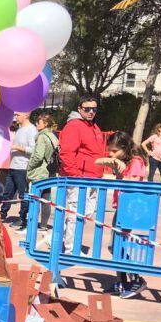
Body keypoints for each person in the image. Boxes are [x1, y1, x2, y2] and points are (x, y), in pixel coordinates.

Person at [97, 131, 148, 298]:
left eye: (115, 151)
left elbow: (132, 184)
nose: (111, 154)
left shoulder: (136, 161)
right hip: (122, 206)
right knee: (115, 244)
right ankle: (122, 280)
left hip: (131, 208)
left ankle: (136, 279)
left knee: (116, 244)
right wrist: (116, 167)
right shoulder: (126, 161)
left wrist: (120, 168)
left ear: (125, 148)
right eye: (110, 151)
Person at [58, 95, 107, 249]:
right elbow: (67, 153)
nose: (91, 112)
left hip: (93, 178)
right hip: (80, 178)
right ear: (80, 109)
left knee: (88, 213)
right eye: (87, 109)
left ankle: (58, 238)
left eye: (94, 109)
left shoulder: (94, 127)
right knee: (76, 214)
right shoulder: (74, 126)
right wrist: (75, 176)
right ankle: (70, 247)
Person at [0, 111, 37, 229]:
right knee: (7, 192)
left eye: (18, 115)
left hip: (23, 168)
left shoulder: (31, 130)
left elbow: (33, 150)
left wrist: (16, 147)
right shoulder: (20, 129)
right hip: (13, 166)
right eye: (15, 115)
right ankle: (2, 213)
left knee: (23, 195)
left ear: (26, 115)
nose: (15, 117)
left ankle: (22, 219)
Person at [26, 113, 60, 230]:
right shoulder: (53, 136)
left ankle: (32, 224)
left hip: (40, 171)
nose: (36, 124)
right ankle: (44, 225)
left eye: (38, 122)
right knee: (46, 199)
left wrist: (29, 166)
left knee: (35, 198)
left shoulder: (42, 137)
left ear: (45, 124)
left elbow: (38, 156)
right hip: (50, 170)